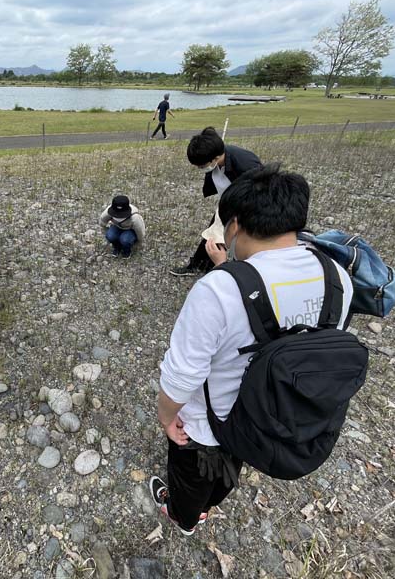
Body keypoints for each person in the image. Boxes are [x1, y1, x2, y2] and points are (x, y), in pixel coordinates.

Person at [149, 164, 353, 535]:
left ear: (236, 224)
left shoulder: (217, 290)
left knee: (191, 477)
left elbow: (182, 375)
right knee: (230, 467)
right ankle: (210, 505)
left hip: (209, 422)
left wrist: (165, 417)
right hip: (272, 416)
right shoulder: (336, 275)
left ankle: (184, 516)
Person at [169, 127, 261, 277]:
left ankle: (235, 273)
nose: (200, 168)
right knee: (212, 234)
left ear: (215, 157)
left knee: (233, 240)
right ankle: (199, 265)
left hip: (247, 207)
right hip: (227, 203)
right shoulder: (216, 157)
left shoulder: (247, 165)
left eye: (202, 165)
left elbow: (261, 193)